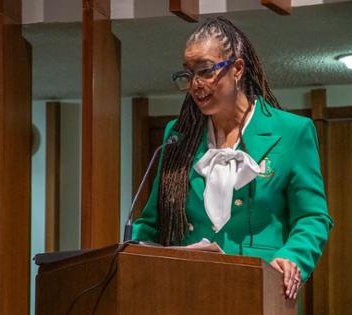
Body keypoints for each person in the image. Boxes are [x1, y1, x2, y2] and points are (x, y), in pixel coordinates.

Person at [132, 16, 333, 300]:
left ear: (237, 68)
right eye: (188, 75)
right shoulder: (177, 136)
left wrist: (292, 258)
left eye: (205, 70)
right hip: (185, 292)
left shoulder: (292, 132)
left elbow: (312, 217)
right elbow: (151, 222)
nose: (195, 84)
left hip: (262, 292)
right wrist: (132, 254)